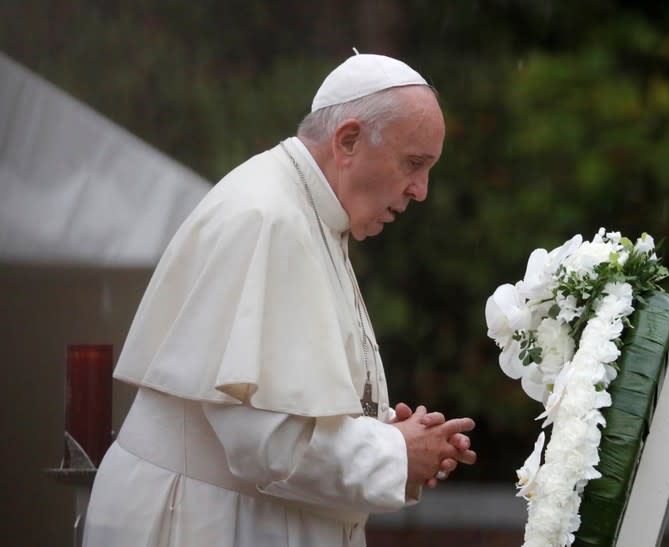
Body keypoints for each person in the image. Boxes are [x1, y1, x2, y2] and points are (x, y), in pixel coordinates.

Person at [83, 51, 476, 547]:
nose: (421, 190)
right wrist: (395, 452)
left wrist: (388, 433)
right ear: (348, 140)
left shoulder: (310, 213)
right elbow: (264, 442)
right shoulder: (268, 217)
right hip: (196, 524)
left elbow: (288, 407)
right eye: (414, 164)